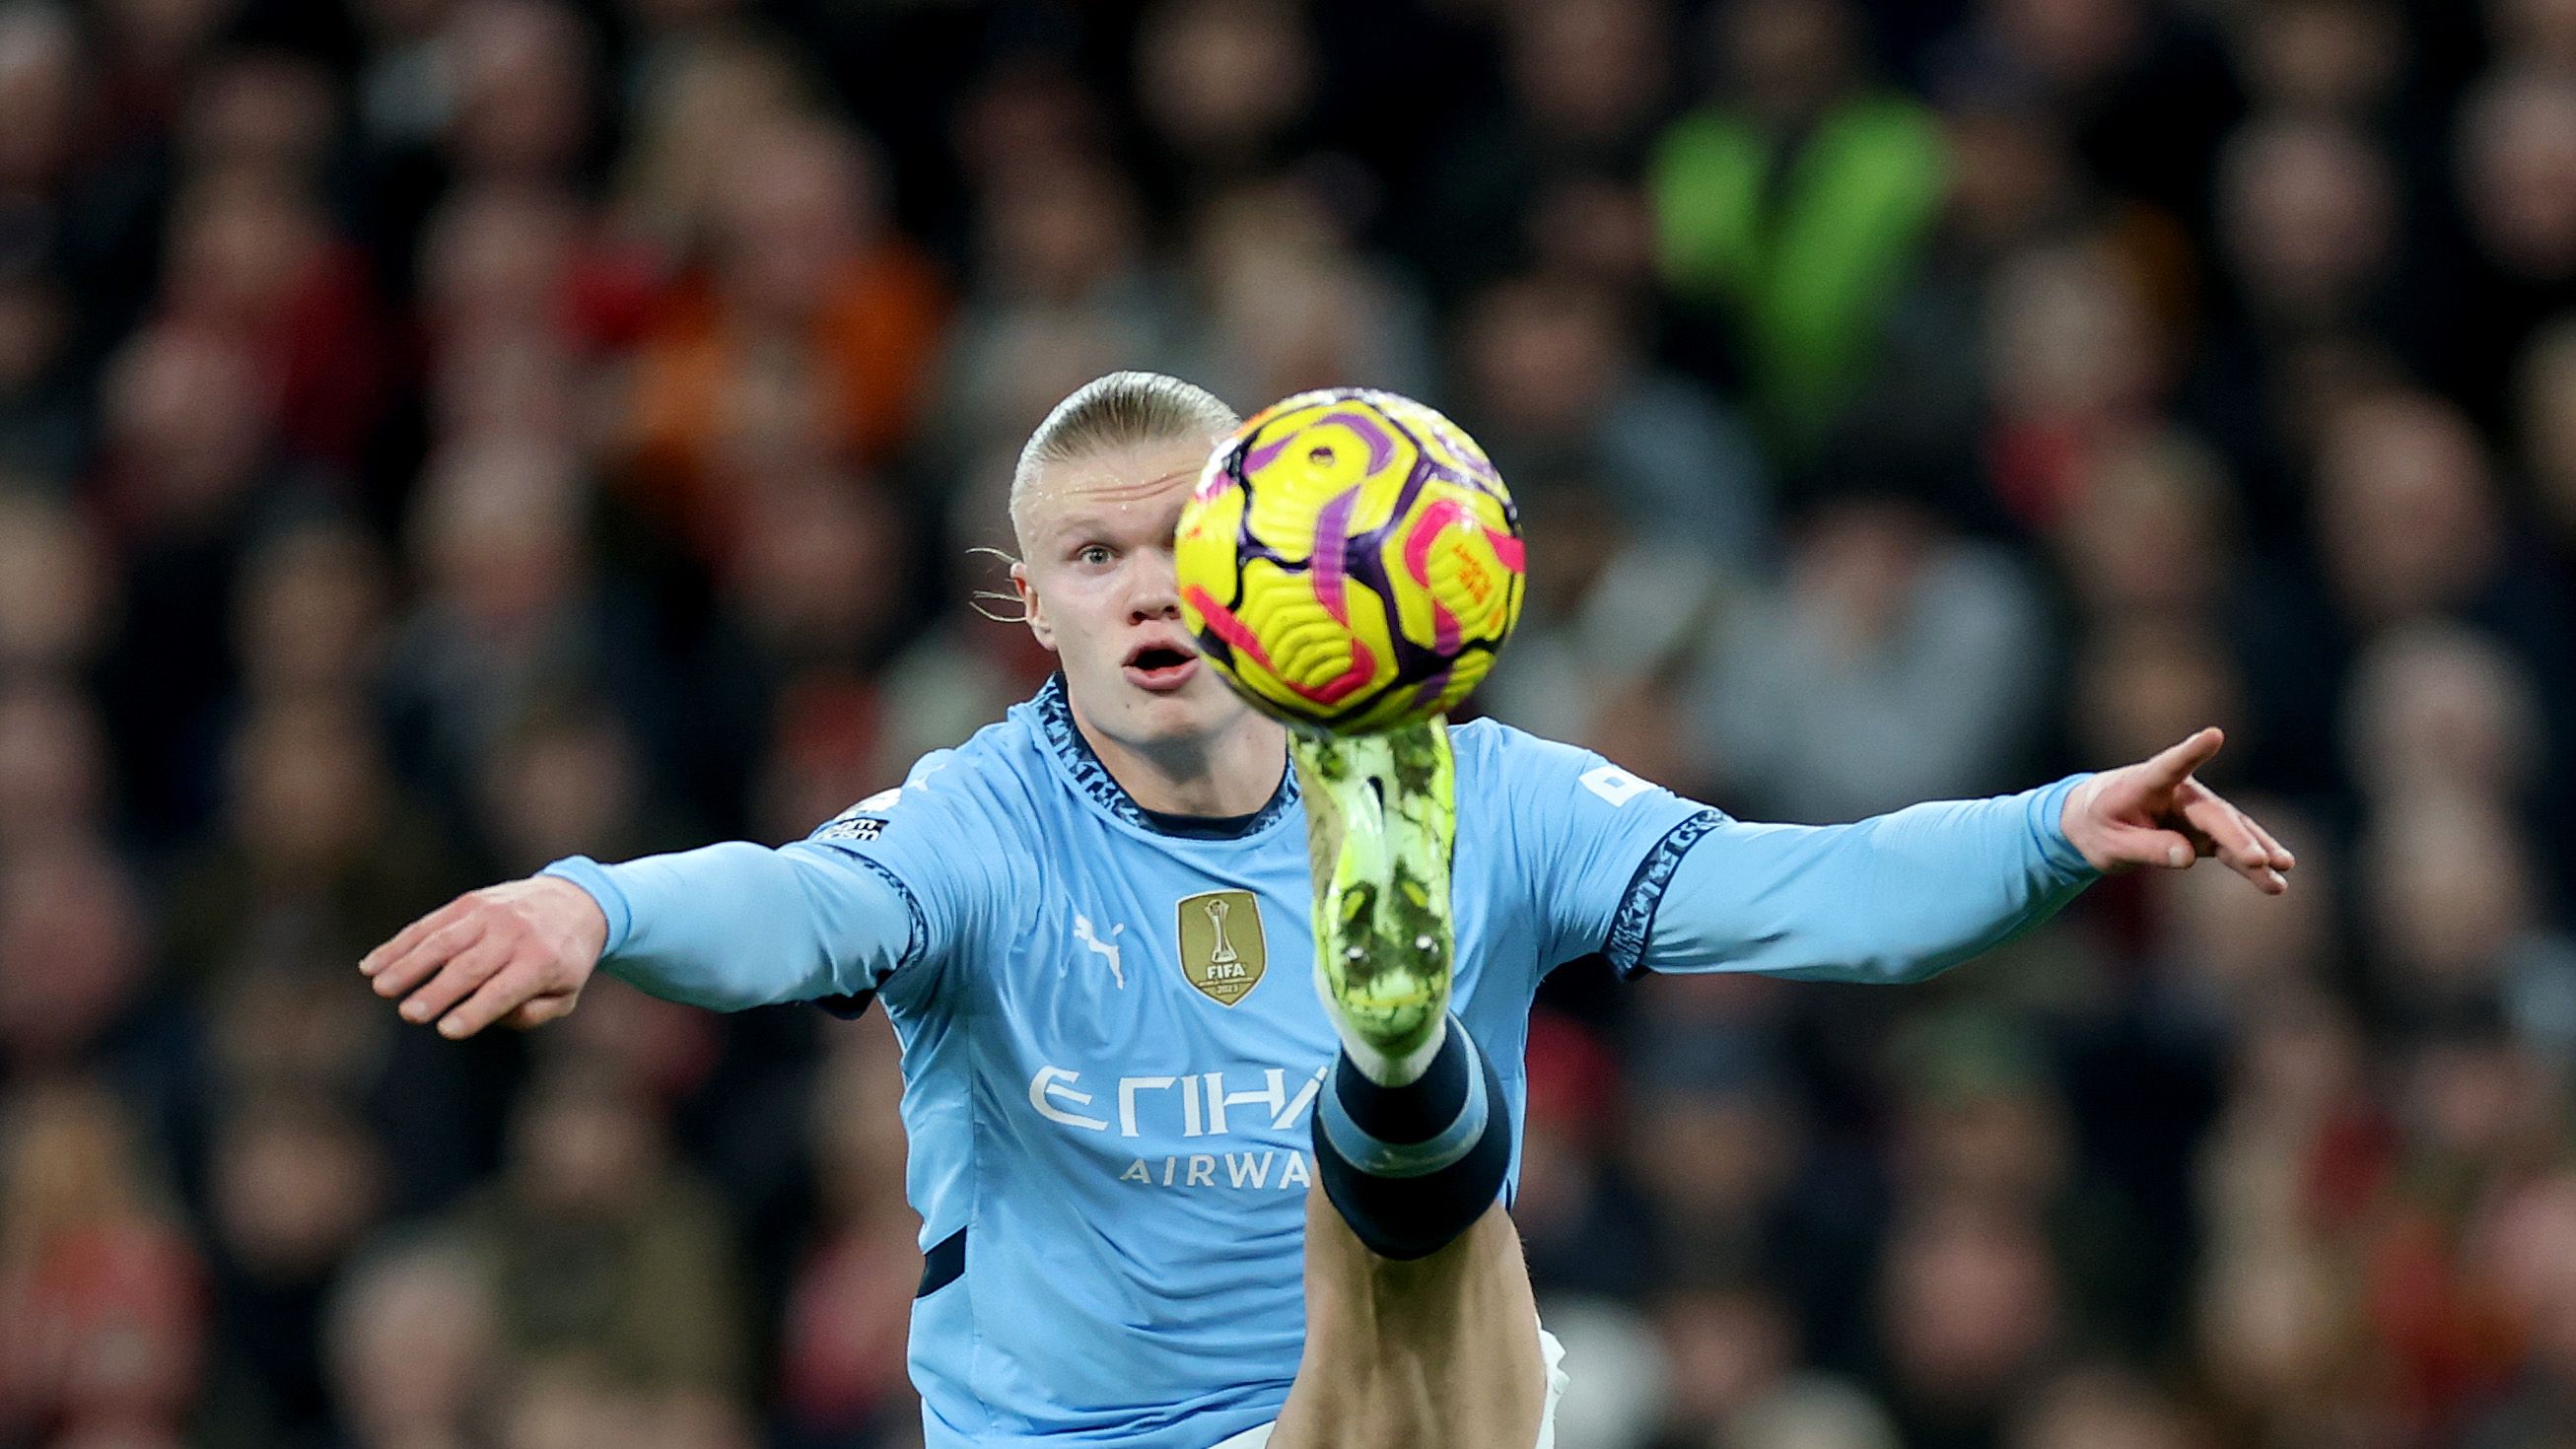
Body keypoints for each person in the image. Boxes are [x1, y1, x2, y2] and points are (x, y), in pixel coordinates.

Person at [359, 372, 2296, 1448]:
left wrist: (2049, 825)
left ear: (1266, 545)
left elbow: (1807, 892)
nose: (1142, 586)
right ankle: (1401, 1086)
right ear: (1024, 604)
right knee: (1425, 1262)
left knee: (1430, 1317)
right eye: (1087, 556)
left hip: (1377, 1410)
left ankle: (1391, 1075)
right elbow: (789, 904)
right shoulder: (975, 824)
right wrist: (592, 905)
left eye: (1176, 538)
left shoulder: (1486, 793)